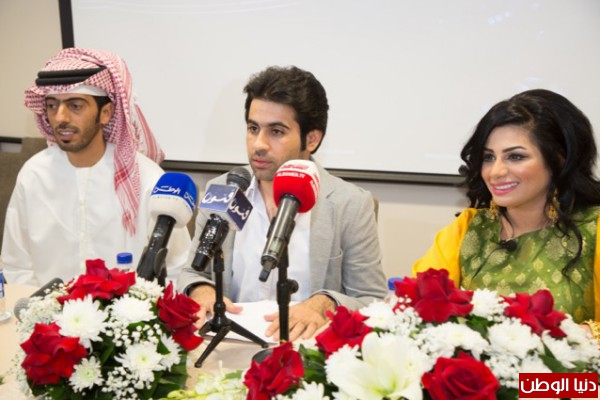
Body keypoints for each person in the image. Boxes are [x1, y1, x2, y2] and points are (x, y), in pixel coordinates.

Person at [178, 65, 387, 341]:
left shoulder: (350, 204)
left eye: (276, 131)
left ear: (311, 139)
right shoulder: (223, 189)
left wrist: (324, 303)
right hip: (228, 345)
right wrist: (200, 289)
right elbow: (191, 272)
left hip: (307, 350)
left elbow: (372, 298)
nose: (258, 144)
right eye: (253, 128)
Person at [412, 89, 600, 341]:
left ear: (559, 160)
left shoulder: (593, 228)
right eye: (489, 157)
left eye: (515, 156)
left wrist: (576, 337)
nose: (495, 172)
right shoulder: (467, 229)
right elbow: (416, 309)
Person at [1, 48, 191, 286]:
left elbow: (176, 268)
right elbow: (17, 264)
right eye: (52, 106)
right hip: (45, 306)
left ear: (106, 113)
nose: (60, 117)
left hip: (127, 309)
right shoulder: (33, 174)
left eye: (75, 106)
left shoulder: (147, 179)